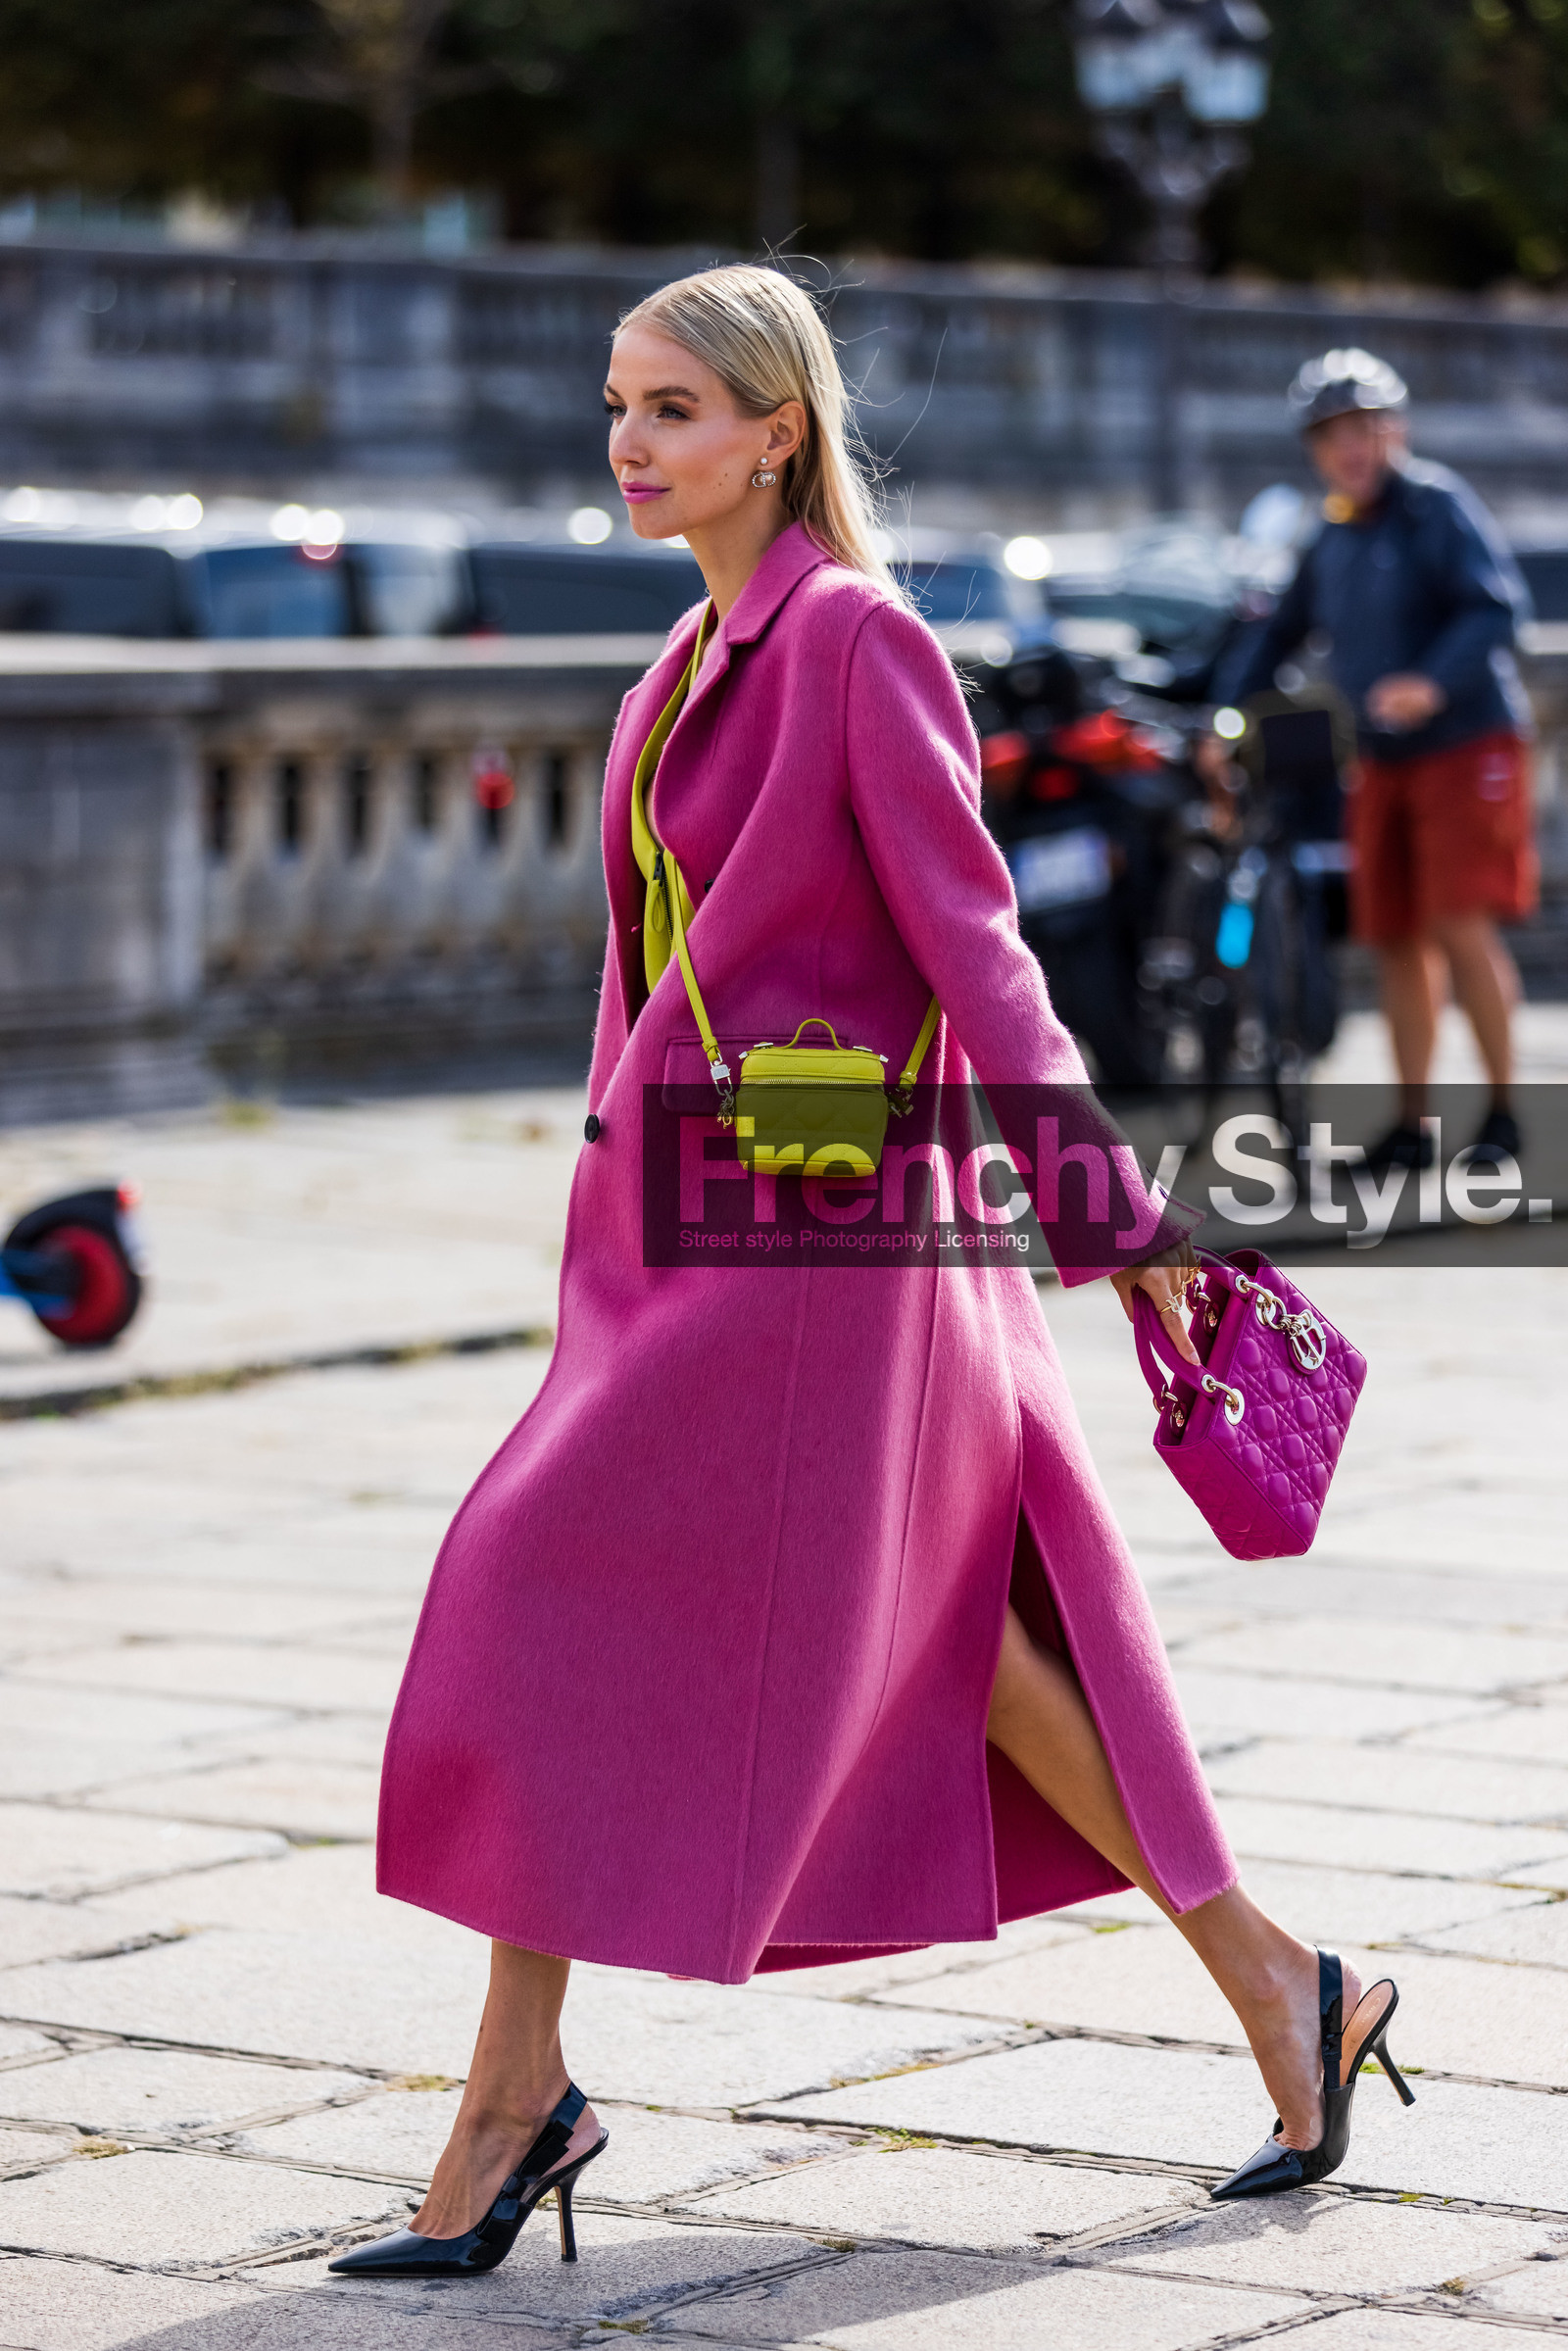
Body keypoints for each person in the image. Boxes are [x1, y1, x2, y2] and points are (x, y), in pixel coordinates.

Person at [329, 269, 1410, 2283]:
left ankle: (508, 2098)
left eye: (670, 407)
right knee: (942, 1643)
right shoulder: (684, 656)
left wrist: (1112, 1213)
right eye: (614, 405)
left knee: (529, 1574)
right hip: (690, 1229)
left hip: (824, 1240)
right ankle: (1282, 1977)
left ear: (771, 428)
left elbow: (978, 951)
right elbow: (649, 970)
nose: (627, 441)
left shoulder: (853, 639)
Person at [1220, 348, 1537, 1167]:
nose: (1350, 448)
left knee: (1458, 922)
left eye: (1363, 428)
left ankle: (1505, 1115)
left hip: (1467, 743)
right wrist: (1219, 718)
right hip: (1382, 759)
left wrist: (1431, 682)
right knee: (1393, 934)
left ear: (1393, 430)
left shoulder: (1436, 507)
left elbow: (1498, 609)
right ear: (1315, 450)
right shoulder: (1330, 531)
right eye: (1331, 435)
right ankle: (1413, 1125)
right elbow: (1275, 636)